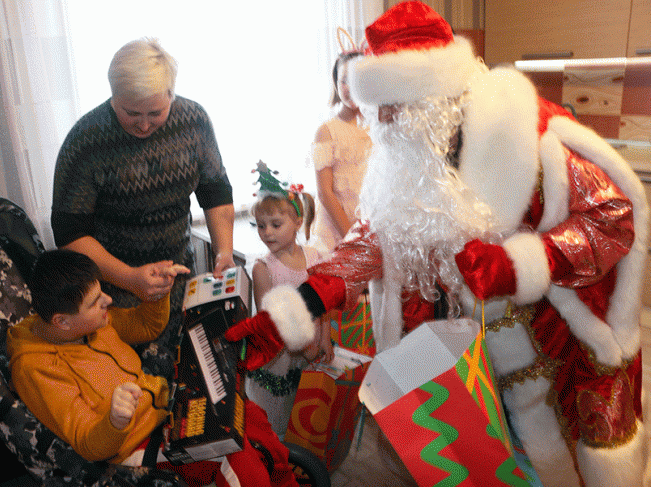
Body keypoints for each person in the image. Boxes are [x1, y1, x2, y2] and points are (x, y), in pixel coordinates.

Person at [247, 2, 650, 486]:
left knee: (558, 462)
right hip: (460, 356)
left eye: (394, 102)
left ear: (433, 93)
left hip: (548, 343)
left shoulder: (525, 136)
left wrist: (516, 265)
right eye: (379, 105)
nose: (383, 118)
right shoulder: (406, 151)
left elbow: (612, 217)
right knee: (478, 460)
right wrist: (304, 302)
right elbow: (374, 238)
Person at [7, 249, 300, 487]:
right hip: (134, 445)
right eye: (96, 302)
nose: (108, 300)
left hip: (166, 410)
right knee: (232, 453)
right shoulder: (36, 368)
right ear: (62, 321)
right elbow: (88, 444)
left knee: (249, 414)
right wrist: (114, 422)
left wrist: (158, 294)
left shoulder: (89, 322)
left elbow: (145, 326)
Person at [50, 37, 236, 355]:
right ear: (114, 96)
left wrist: (224, 252)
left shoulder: (194, 121)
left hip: (179, 278)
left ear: (171, 94)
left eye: (156, 112)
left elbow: (215, 191)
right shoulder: (86, 140)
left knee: (188, 370)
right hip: (114, 295)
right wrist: (131, 278)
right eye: (132, 113)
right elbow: (69, 233)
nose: (145, 125)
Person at [246, 162, 331, 439]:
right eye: (261, 226)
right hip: (280, 356)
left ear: (297, 222)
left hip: (311, 347)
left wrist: (325, 338)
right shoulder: (263, 269)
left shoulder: (315, 258)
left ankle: (298, 451)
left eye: (275, 224)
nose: (267, 232)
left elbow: (323, 302)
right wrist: (306, 347)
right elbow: (273, 322)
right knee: (276, 415)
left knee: (303, 409)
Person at [311, 48, 371, 255]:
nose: (350, 87)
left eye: (357, 80)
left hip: (370, 227)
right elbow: (324, 193)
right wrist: (352, 238)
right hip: (337, 231)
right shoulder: (326, 131)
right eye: (344, 80)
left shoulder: (377, 128)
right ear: (336, 84)